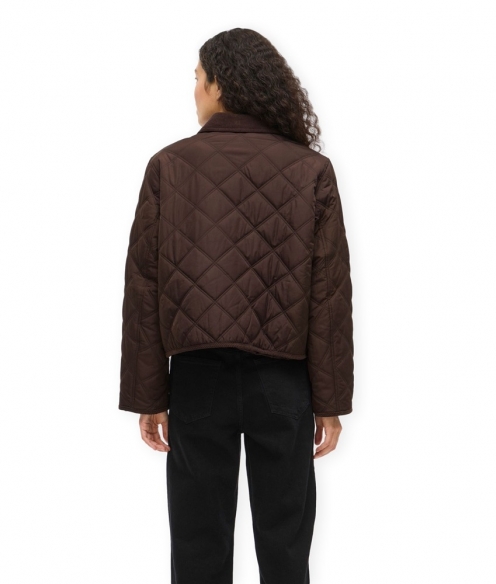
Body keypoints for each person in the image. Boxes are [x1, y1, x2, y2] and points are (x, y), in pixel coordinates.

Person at [119, 27, 354, 584]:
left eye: (198, 79)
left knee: (198, 547)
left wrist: (150, 395)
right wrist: (330, 401)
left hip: (197, 381)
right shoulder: (310, 170)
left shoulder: (168, 165)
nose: (194, 91)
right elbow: (329, 295)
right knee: (285, 546)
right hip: (284, 384)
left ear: (222, 85)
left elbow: (144, 287)